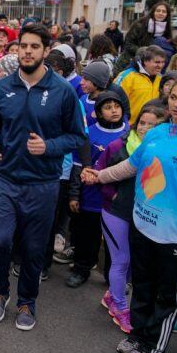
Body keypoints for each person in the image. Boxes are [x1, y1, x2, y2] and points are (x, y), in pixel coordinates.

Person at [0, 24, 85, 331]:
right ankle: (0, 292)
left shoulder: (63, 92)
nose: (27, 51)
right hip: (5, 178)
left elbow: (77, 137)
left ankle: (27, 300)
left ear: (45, 51)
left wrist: (49, 146)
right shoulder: (2, 88)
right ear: (17, 49)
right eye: (23, 46)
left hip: (42, 184)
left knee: (33, 248)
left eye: (34, 46)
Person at [82, 77, 177, 353]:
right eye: (175, 97)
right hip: (142, 226)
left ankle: (154, 348)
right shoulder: (157, 133)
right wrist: (98, 175)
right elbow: (129, 166)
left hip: (175, 237)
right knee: (142, 286)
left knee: (167, 297)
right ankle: (138, 336)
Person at [94, 105, 166, 334]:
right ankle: (120, 307)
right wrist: (114, 196)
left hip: (141, 215)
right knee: (121, 260)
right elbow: (98, 174)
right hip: (114, 211)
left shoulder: (161, 150)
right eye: (142, 122)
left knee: (131, 262)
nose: (145, 128)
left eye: (151, 124)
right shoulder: (118, 146)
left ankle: (110, 296)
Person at [66, 92, 129, 288]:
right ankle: (82, 269)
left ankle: (114, 277)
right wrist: (74, 194)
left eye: (117, 106)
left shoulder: (130, 133)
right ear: (99, 112)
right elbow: (78, 166)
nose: (113, 110)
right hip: (91, 197)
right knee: (88, 237)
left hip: (119, 199)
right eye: (108, 107)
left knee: (116, 241)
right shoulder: (89, 133)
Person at [114, 1, 171, 76]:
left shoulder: (166, 30)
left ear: (167, 15)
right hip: (128, 63)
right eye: (158, 11)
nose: (160, 13)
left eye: (164, 11)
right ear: (153, 12)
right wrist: (144, 52)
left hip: (149, 68)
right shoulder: (140, 25)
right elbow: (128, 44)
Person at [114, 45, 165, 124]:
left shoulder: (161, 79)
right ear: (145, 61)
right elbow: (114, 101)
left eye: (163, 62)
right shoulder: (127, 76)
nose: (160, 66)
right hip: (129, 127)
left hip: (154, 127)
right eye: (157, 62)